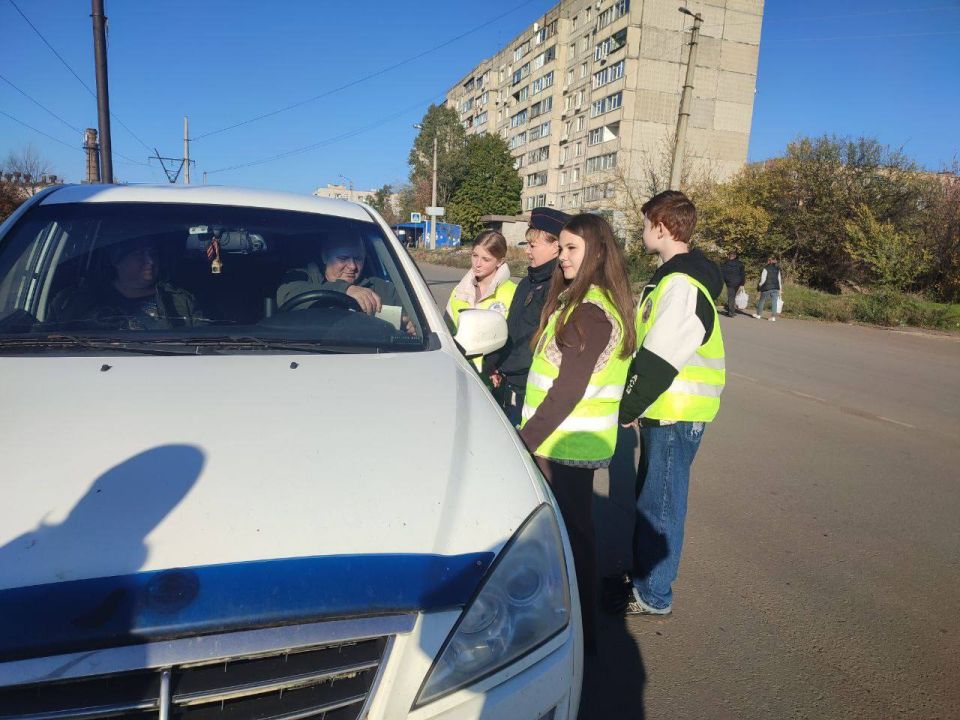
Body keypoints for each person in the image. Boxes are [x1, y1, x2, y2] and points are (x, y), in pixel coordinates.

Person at [518, 213, 636, 654]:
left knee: (570, 541)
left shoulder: (590, 312)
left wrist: (524, 440)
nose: (563, 257)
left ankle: (579, 634)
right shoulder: (586, 301)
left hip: (564, 444)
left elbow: (567, 392)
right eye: (562, 248)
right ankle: (579, 628)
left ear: (597, 253)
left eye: (571, 249)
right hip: (565, 441)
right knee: (575, 536)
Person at [617, 190, 725, 617]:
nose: (643, 231)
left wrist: (629, 407)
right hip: (670, 409)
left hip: (677, 410)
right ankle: (644, 580)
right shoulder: (671, 278)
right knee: (653, 498)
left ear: (661, 227)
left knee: (661, 504)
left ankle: (653, 594)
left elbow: (660, 358)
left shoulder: (681, 283)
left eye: (645, 224)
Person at [483, 207, 569, 426]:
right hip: (509, 381)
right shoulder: (528, 281)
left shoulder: (558, 287)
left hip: (532, 386)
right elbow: (513, 330)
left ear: (555, 247)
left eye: (533, 245)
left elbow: (542, 343)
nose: (527, 251)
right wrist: (495, 363)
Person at [50, 237, 202, 329]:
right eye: (138, 254)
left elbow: (204, 343)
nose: (150, 261)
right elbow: (57, 339)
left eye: (152, 253)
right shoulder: (82, 301)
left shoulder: (180, 301)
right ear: (117, 260)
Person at [444, 230, 517, 370]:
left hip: (494, 375)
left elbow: (515, 341)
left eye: (486, 259)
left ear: (500, 262)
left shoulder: (513, 292)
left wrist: (497, 368)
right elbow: (446, 330)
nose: (477, 264)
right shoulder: (459, 291)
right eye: (475, 255)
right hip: (459, 368)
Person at [277, 236, 402, 313]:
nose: (352, 266)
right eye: (343, 258)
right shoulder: (301, 277)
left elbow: (415, 318)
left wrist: (408, 325)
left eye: (358, 259)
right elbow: (287, 296)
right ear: (325, 257)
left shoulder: (384, 290)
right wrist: (345, 289)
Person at [753, 256, 783, 321]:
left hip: (766, 288)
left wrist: (759, 286)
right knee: (774, 302)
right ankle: (773, 317)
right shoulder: (778, 269)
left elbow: (763, 279)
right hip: (776, 288)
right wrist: (780, 289)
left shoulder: (765, 268)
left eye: (768, 260)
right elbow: (779, 279)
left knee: (762, 301)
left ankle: (758, 315)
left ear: (769, 261)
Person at [720, 250, 746, 317]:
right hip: (738, 282)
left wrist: (723, 282)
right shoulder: (740, 264)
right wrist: (742, 283)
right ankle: (732, 311)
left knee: (731, 297)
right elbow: (742, 274)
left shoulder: (725, 264)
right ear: (735, 256)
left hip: (729, 282)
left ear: (729, 256)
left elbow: (722, 274)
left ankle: (731, 312)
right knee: (733, 296)